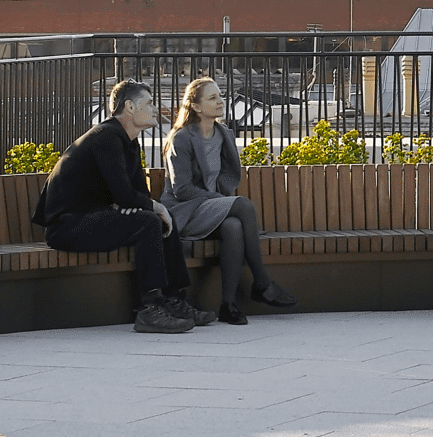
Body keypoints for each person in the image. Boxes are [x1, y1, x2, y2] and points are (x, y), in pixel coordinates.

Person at [32, 80, 198, 334]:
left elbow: (135, 195)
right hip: (67, 226)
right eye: (149, 103)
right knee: (152, 219)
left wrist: (147, 207)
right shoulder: (106, 136)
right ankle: (149, 310)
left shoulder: (128, 142)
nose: (156, 109)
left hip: (95, 217)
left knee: (159, 219)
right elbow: (125, 194)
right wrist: (150, 208)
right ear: (129, 107)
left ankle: (175, 301)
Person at [165, 76, 300, 326]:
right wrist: (220, 201)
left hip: (213, 209)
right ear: (195, 106)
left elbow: (228, 175)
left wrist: (220, 203)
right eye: (213, 98)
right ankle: (262, 283)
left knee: (234, 227)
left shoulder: (223, 134)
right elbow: (181, 189)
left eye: (220, 96)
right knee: (243, 205)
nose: (221, 102)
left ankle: (228, 304)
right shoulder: (182, 138)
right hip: (186, 211)